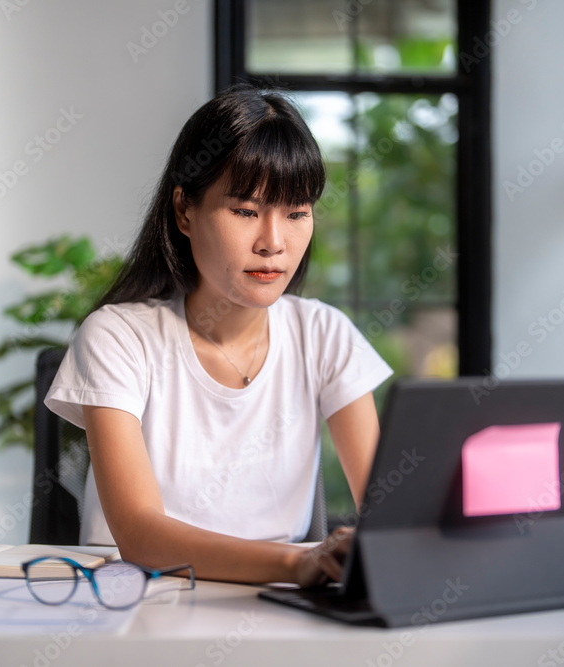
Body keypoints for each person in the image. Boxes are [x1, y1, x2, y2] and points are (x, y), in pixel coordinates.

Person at [44, 84, 393, 587]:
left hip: (279, 612)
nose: (274, 242)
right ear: (184, 210)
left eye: (296, 213)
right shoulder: (119, 338)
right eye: (246, 212)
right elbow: (141, 535)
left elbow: (388, 513)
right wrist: (298, 563)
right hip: (137, 613)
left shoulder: (324, 335)